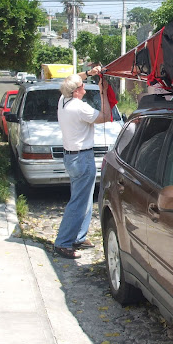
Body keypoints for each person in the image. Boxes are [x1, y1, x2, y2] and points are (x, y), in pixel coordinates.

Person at [54, 66, 111, 259]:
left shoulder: (63, 100)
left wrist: (88, 73)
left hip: (72, 157)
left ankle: (78, 236)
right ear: (76, 91)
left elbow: (71, 78)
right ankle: (63, 243)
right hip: (82, 158)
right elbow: (105, 117)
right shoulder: (79, 107)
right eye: (82, 85)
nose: (84, 87)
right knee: (78, 202)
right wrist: (103, 93)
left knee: (84, 198)